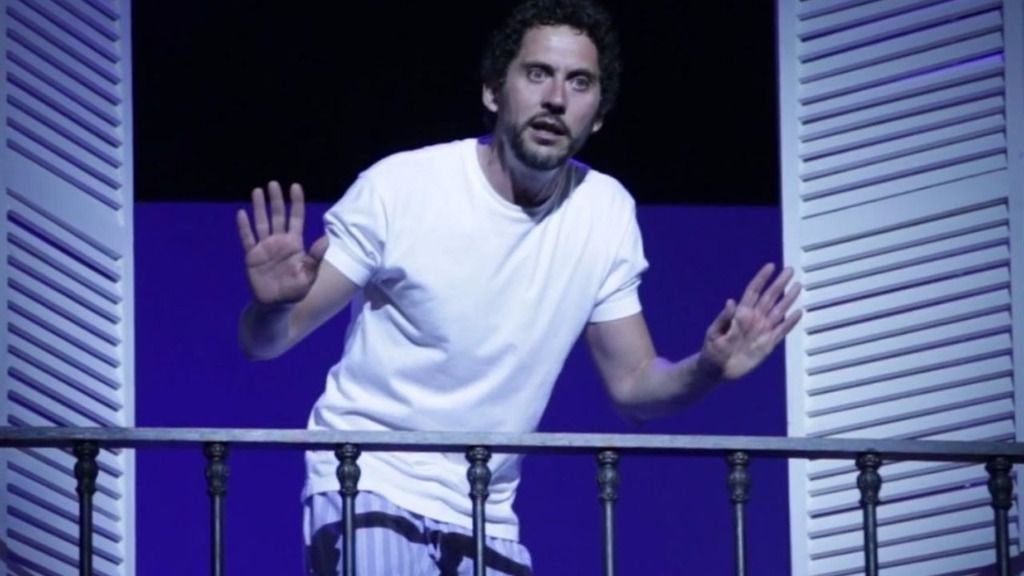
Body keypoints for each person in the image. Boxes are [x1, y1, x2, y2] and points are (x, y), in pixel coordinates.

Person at [235, 0, 801, 574]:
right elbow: (266, 342)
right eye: (537, 74)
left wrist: (706, 368)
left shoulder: (604, 212)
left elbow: (633, 385)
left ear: (597, 116)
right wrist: (272, 307)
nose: (556, 98)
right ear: (493, 92)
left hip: (487, 510)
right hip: (367, 479)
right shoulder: (402, 187)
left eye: (579, 83)